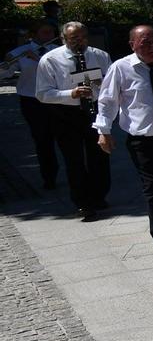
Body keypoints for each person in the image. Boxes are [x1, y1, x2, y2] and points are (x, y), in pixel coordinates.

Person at [94, 25, 153, 258]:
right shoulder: (121, 68)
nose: (152, 47)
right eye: (145, 43)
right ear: (132, 45)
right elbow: (108, 102)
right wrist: (103, 131)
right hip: (143, 140)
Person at [38, 22, 113, 219]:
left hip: (93, 109)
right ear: (64, 40)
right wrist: (70, 93)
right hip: (65, 114)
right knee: (74, 159)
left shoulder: (100, 56)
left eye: (82, 38)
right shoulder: (50, 60)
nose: (79, 43)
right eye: (74, 39)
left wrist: (99, 84)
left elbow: (111, 83)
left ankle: (98, 195)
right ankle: (82, 201)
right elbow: (42, 94)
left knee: (99, 155)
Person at [10, 21, 61, 191]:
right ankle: (49, 176)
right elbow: (6, 72)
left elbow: (58, 73)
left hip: (56, 99)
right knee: (42, 140)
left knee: (63, 137)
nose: (48, 35)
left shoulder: (57, 51)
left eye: (51, 32)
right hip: (31, 100)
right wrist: (7, 64)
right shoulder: (20, 52)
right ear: (34, 34)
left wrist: (37, 59)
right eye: (45, 32)